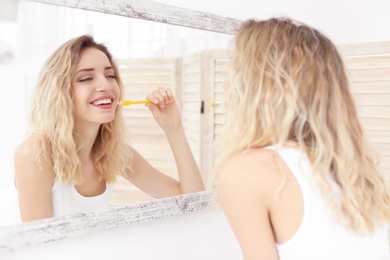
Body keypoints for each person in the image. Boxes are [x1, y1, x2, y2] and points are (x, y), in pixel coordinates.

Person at [215, 17, 390, 260]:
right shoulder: (353, 173)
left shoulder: (248, 170)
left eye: (235, 71)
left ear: (262, 85)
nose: (225, 84)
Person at [14, 35, 204, 222]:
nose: (105, 85)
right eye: (86, 78)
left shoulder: (114, 152)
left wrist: (174, 129)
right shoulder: (35, 154)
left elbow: (194, 202)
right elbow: (38, 250)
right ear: (60, 93)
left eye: (110, 75)